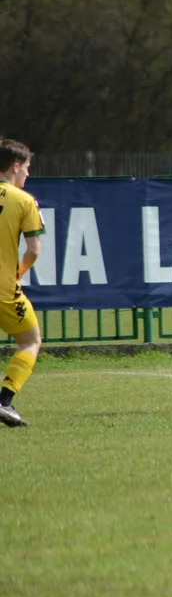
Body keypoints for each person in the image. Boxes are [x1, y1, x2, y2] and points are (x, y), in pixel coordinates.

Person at [0, 139, 45, 427]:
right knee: (30, 340)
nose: (27, 174)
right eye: (26, 168)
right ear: (15, 166)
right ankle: (4, 401)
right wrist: (18, 273)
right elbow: (33, 250)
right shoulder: (24, 200)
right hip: (4, 288)